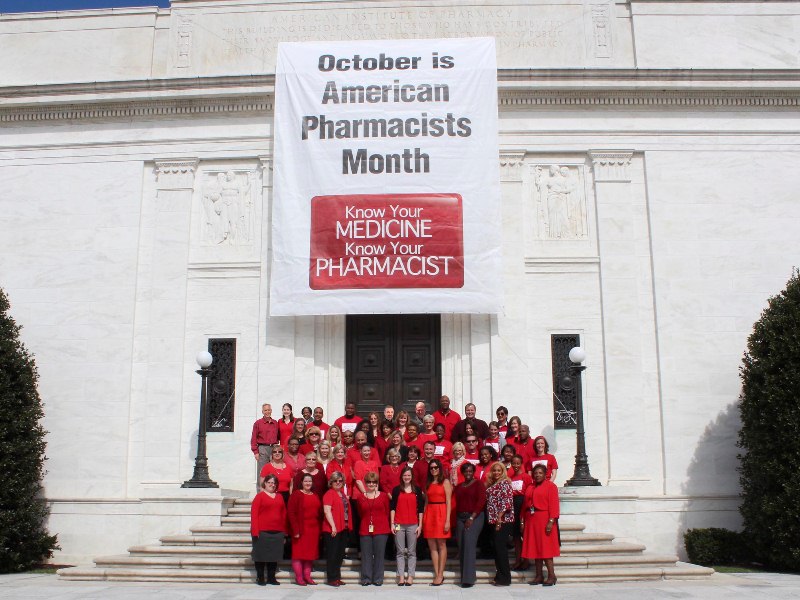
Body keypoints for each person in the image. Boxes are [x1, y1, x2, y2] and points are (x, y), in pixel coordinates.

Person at [521, 464, 560, 586]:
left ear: (545, 474)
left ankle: (552, 576)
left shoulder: (551, 486)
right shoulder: (530, 486)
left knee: (546, 549)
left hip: (544, 519)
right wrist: (522, 520)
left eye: (540, 473)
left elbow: (554, 505)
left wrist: (551, 521)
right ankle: (538, 575)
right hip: (531, 520)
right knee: (535, 548)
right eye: (535, 473)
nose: (537, 475)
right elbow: (525, 505)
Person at [453, 462, 486, 588]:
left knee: (469, 545)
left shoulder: (478, 484)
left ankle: (469, 579)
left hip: (474, 517)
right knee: (462, 546)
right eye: (466, 471)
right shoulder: (460, 486)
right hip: (461, 517)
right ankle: (464, 576)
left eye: (470, 471)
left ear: (473, 472)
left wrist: (472, 517)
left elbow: (481, 501)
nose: (468, 473)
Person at [390, 466, 424, 586]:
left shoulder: (417, 490)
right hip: (399, 524)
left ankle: (410, 576)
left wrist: (420, 525)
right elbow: (392, 508)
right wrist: (392, 523)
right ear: (401, 477)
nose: (407, 477)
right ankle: (400, 577)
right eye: (405, 475)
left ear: (412, 476)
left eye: (409, 475)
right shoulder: (396, 490)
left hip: (413, 524)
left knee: (411, 552)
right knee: (400, 552)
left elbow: (420, 509)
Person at [250, 474, 286, 586]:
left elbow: (284, 514)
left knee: (274, 556)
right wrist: (255, 531)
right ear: (264, 483)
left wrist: (284, 532)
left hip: (277, 531)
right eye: (269, 482)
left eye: (274, 483)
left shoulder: (279, 497)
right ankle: (260, 578)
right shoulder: (259, 497)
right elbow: (254, 514)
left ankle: (271, 578)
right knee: (260, 556)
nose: (272, 485)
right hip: (262, 531)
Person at [287, 472, 322, 586]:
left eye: (310, 481)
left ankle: (307, 576)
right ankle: (299, 577)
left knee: (309, 555)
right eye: (306, 481)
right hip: (301, 529)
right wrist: (295, 530)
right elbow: (291, 513)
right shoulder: (296, 494)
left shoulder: (315, 495)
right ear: (301, 482)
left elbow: (319, 513)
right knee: (298, 554)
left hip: (313, 530)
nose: (308, 483)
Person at [356, 471, 391, 586]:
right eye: (369, 482)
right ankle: (366, 578)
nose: (371, 484)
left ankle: (378, 578)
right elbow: (360, 513)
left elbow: (386, 512)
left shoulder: (384, 496)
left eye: (373, 482)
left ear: (377, 483)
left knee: (379, 555)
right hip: (365, 529)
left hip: (381, 529)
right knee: (366, 555)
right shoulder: (361, 497)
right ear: (365, 483)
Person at [423, 459, 452, 586]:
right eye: (431, 468)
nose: (434, 469)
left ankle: (441, 574)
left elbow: (449, 502)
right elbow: (426, 502)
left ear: (439, 468)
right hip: (430, 512)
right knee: (432, 545)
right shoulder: (428, 483)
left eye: (436, 467)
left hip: (441, 512)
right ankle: (436, 573)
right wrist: (424, 518)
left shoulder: (445, 482)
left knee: (441, 544)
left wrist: (447, 520)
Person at [485, 462, 514, 586]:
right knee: (496, 548)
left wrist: (499, 518)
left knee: (500, 549)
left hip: (502, 520)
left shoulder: (505, 483)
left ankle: (505, 577)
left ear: (503, 472)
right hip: (493, 520)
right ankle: (499, 574)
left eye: (499, 471)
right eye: (494, 470)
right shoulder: (493, 484)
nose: (496, 473)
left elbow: (506, 502)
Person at [322, 472, 351, 587]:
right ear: (331, 482)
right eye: (335, 481)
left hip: (343, 527)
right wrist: (333, 526)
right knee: (332, 554)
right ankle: (332, 578)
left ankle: (337, 577)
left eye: (340, 480)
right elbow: (327, 511)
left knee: (339, 554)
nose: (338, 483)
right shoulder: (329, 494)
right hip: (332, 529)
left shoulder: (342, 494)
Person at [509, 454, 532, 571]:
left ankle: (526, 560)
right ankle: (518, 560)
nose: (516, 465)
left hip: (522, 504)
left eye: (518, 463)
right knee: (516, 536)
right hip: (513, 506)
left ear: (521, 463)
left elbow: (529, 493)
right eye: (514, 463)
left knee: (524, 535)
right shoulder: (511, 478)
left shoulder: (526, 477)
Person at [251, 403, 279, 489]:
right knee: (262, 472)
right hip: (262, 448)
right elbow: (254, 438)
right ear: (262, 411)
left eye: (269, 410)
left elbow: (278, 436)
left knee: (274, 470)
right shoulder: (258, 423)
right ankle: (260, 493)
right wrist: (255, 452)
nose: (267, 412)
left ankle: (273, 491)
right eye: (265, 410)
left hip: (274, 448)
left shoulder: (275, 423)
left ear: (271, 411)